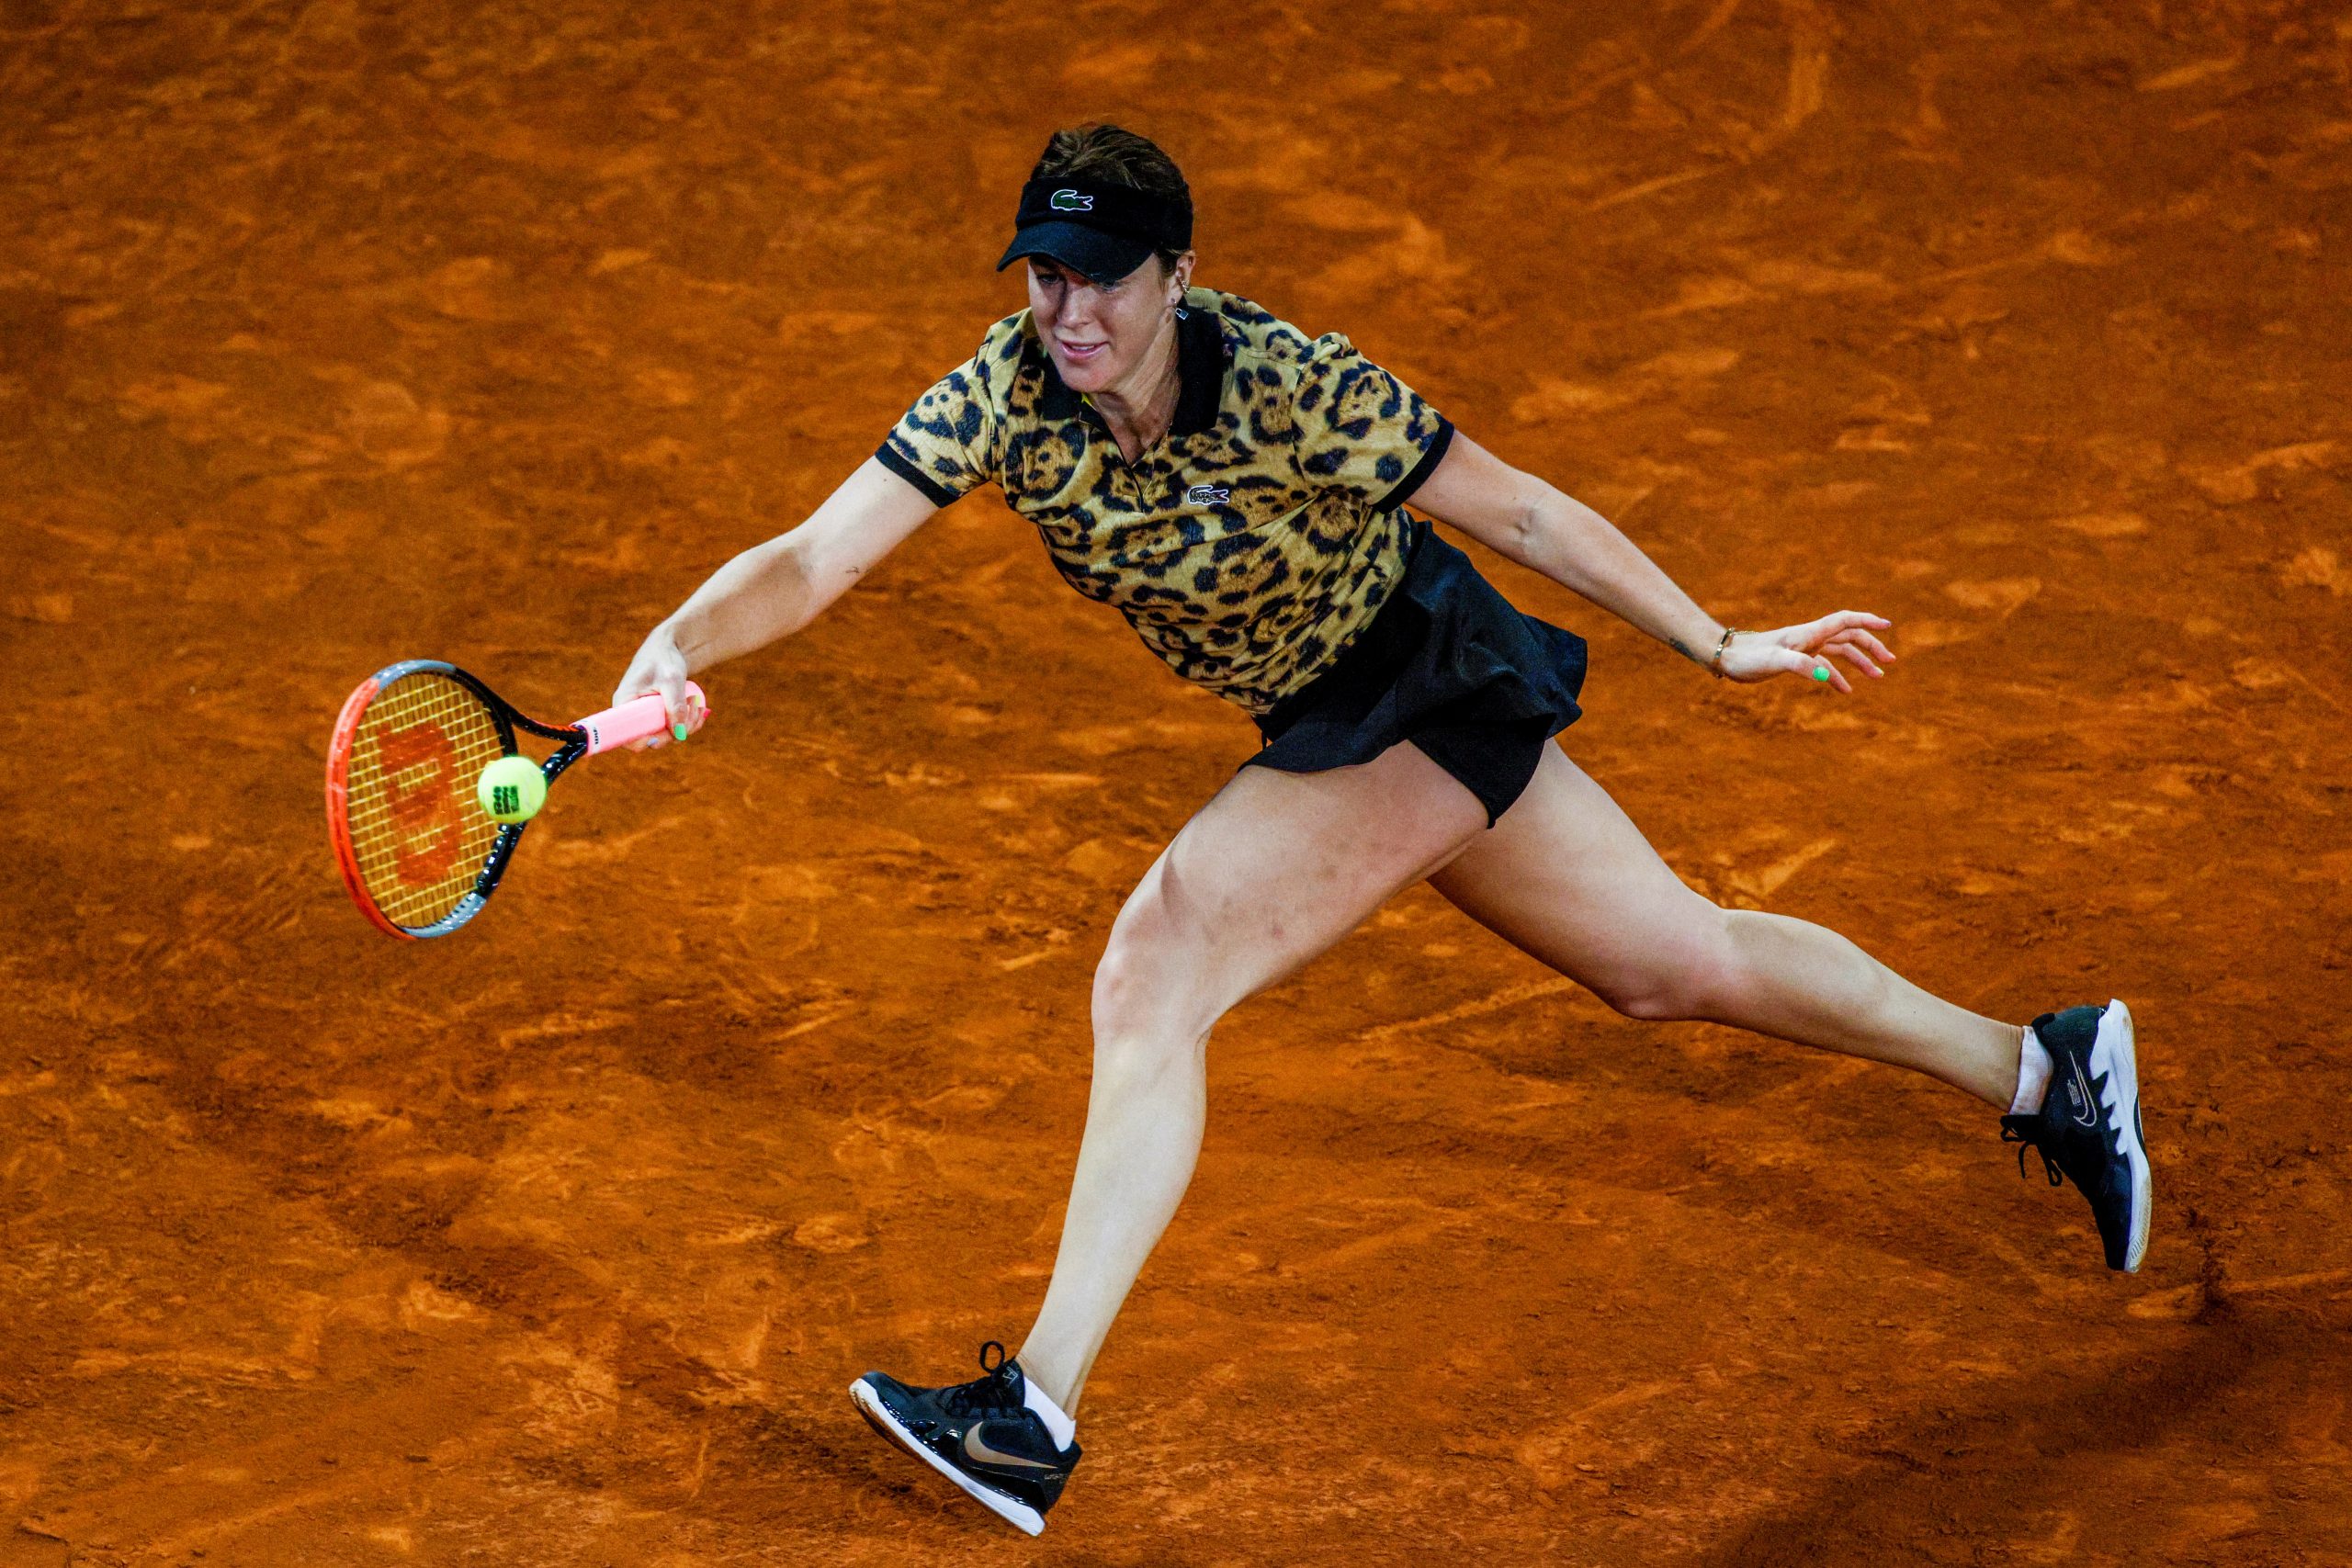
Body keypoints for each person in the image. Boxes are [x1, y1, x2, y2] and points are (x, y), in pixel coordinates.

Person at [609, 124, 2152, 1537]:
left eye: (1103, 280)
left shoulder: (1292, 384)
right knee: (1679, 964)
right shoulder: (1008, 396)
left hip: (1424, 680)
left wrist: (1719, 638)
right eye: (1046, 274)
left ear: (1178, 278)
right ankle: (2043, 1066)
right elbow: (815, 559)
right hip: (1338, 721)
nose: (1068, 312)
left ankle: (1034, 1409)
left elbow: (1525, 517)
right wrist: (682, 641)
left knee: (1160, 963)